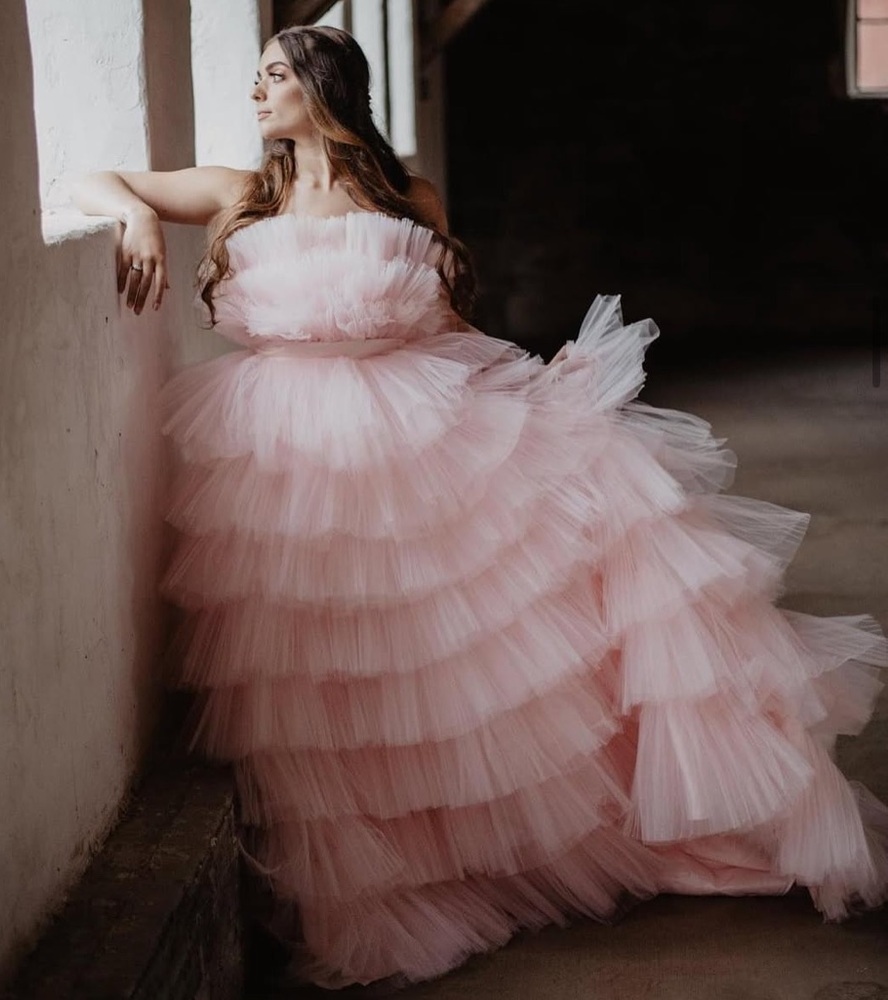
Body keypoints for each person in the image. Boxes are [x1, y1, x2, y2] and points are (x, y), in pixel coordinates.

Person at [71, 23, 888, 991]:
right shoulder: (240, 193)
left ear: (326, 89)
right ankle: (371, 860)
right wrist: (127, 217)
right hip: (283, 450)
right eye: (254, 78)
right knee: (319, 665)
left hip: (415, 431)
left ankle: (465, 848)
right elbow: (91, 180)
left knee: (436, 655)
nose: (257, 94)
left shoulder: (404, 196)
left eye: (275, 77)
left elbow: (453, 322)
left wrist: (538, 396)